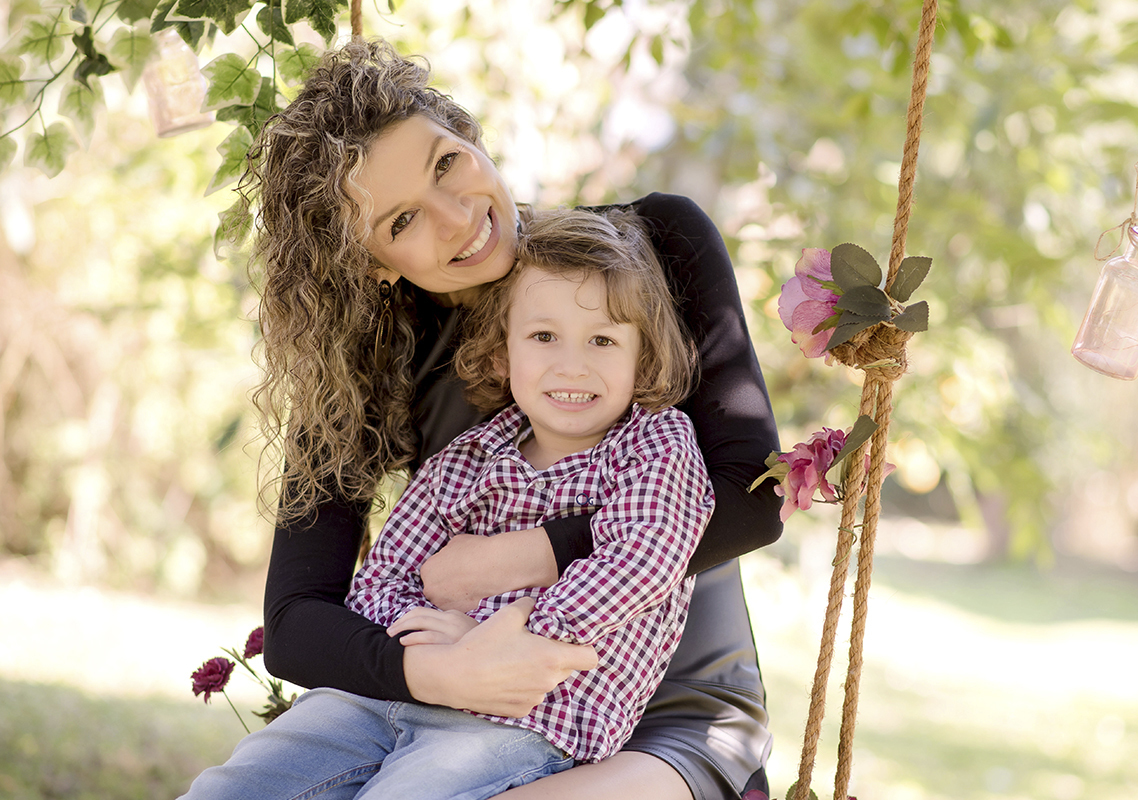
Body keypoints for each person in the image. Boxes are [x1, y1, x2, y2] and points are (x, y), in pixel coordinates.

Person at [237, 38, 781, 800]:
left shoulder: (651, 246)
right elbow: (298, 620)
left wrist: (509, 562)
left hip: (666, 717)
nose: (459, 217)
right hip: (448, 691)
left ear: (470, 134)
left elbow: (754, 499)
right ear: (371, 264)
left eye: (446, 163)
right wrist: (441, 667)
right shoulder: (371, 356)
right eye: (401, 223)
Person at [180, 208, 716, 798]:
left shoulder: (655, 447)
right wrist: (423, 646)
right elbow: (383, 578)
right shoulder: (470, 458)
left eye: (603, 340)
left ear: (642, 356)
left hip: (530, 715)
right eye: (543, 336)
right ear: (501, 353)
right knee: (239, 785)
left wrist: (492, 636)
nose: (572, 363)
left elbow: (643, 559)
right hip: (394, 695)